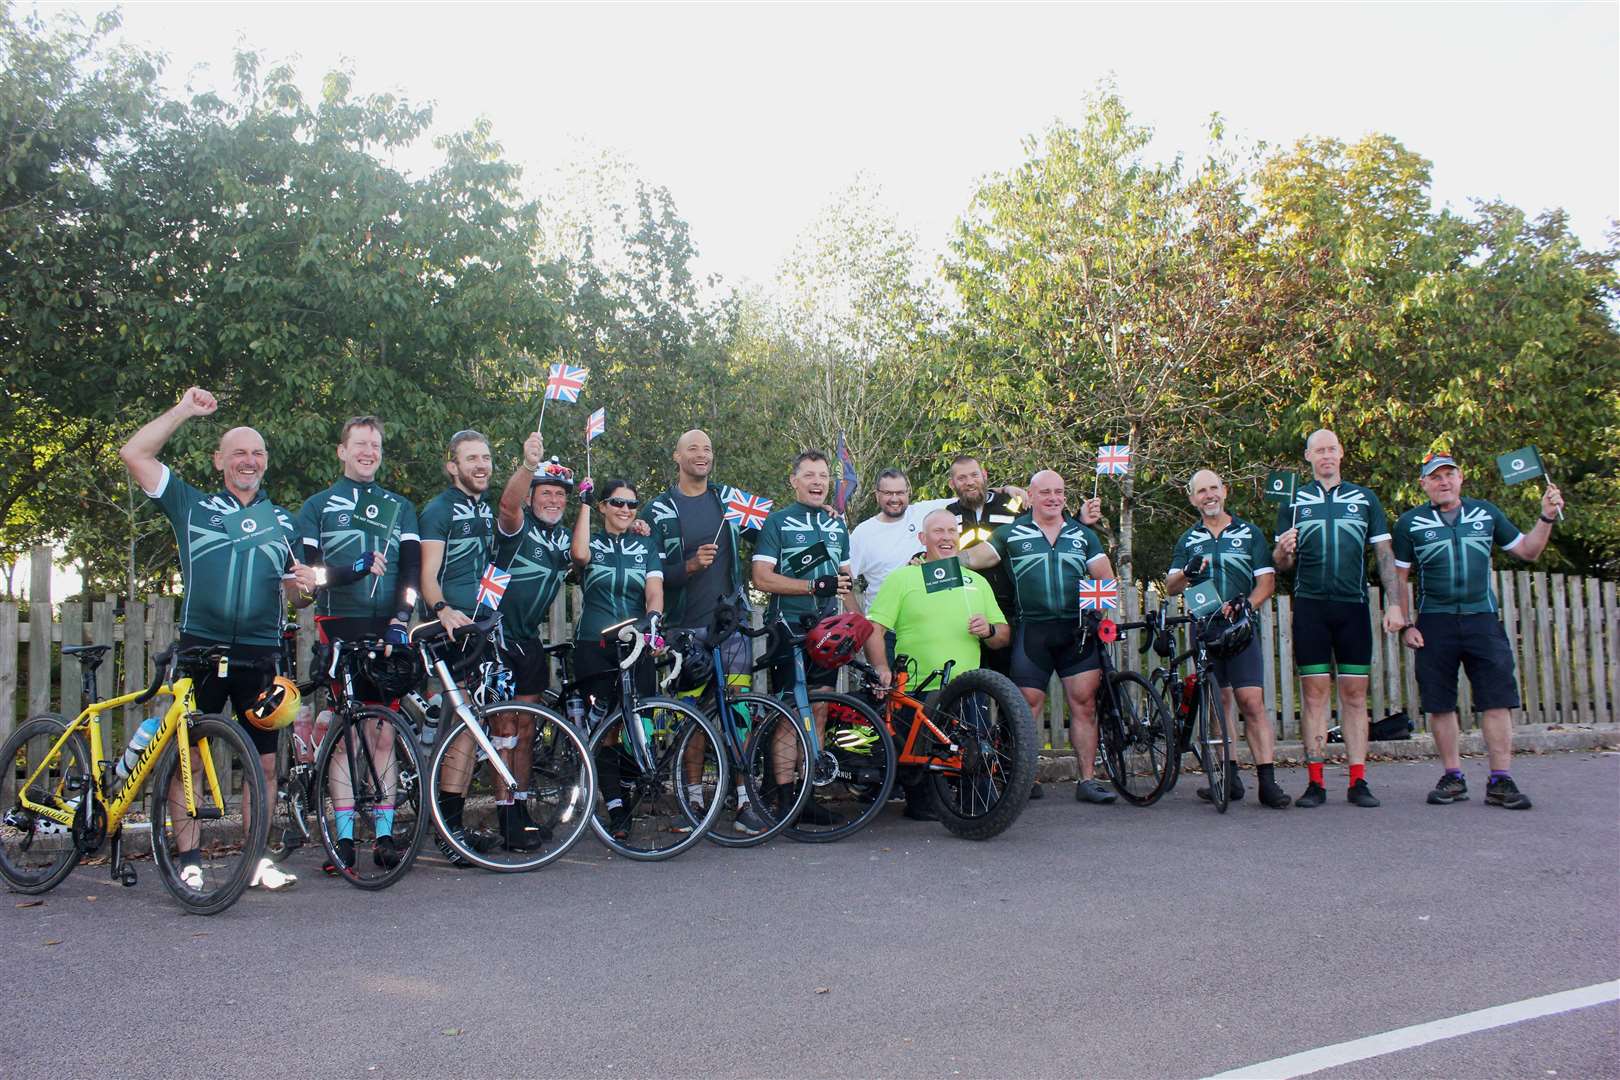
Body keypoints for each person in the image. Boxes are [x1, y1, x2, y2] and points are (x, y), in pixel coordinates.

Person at [119, 387, 315, 892]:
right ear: (220, 460)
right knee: (190, 762)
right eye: (238, 453)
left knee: (265, 765)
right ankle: (190, 857)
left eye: (257, 453)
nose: (248, 461)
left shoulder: (283, 523)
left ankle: (256, 861)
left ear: (266, 462)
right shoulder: (192, 507)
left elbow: (300, 601)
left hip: (260, 656)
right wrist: (183, 410)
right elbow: (134, 453)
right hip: (201, 650)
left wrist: (304, 592)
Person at [1391, 452, 1564, 810]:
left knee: (1496, 699)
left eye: (1449, 475)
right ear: (1423, 484)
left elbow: (1528, 551)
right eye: (1434, 477)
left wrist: (1546, 515)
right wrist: (1406, 625)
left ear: (1461, 478)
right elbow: (1399, 578)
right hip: (1434, 621)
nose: (1443, 481)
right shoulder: (1410, 523)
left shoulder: (1486, 513)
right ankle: (1452, 776)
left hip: (1482, 618)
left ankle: (1501, 779)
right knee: (1440, 704)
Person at [295, 415, 420, 872]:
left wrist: (401, 619)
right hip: (338, 626)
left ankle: (384, 836)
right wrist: (355, 569)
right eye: (361, 444)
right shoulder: (317, 507)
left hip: (386, 629)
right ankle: (344, 841)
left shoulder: (399, 507)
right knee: (347, 736)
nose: (369, 452)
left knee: (383, 734)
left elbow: (410, 575)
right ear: (342, 451)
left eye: (376, 445)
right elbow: (309, 578)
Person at [961, 470, 1117, 804]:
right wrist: (936, 561)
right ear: (1030, 497)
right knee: (1027, 707)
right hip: (1032, 631)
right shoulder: (1011, 533)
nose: (1053, 498)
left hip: (1077, 632)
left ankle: (1087, 780)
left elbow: (1106, 578)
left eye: (1059, 491)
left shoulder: (1082, 535)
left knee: (1084, 705)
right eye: (1045, 492)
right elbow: (973, 558)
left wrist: (1097, 616)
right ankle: (1025, 778)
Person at [641, 429, 767, 834]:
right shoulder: (658, 509)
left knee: (739, 712)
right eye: (693, 448)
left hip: (730, 625)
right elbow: (650, 571)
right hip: (682, 629)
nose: (702, 455)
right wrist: (689, 568)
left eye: (708, 449)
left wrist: (825, 516)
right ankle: (691, 801)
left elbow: (776, 523)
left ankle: (746, 801)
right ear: (676, 456)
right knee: (690, 718)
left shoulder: (728, 500)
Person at [1272, 429, 1405, 809]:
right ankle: (1315, 781)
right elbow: (1282, 564)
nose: (1326, 456)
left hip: (1353, 606)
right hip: (1311, 607)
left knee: (1354, 695)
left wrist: (1394, 604)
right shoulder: (1294, 500)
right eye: (1319, 451)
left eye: (1332, 449)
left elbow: (1383, 553)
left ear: (1341, 453)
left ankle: (1358, 779)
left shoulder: (1364, 498)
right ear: (1309, 456)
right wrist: (1283, 551)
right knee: (1314, 695)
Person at [863, 508, 1011, 820]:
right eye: (938, 532)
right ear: (922, 539)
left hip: (969, 686)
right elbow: (873, 629)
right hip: (917, 687)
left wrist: (990, 630)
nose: (946, 538)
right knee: (922, 793)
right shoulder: (903, 578)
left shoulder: (977, 582)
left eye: (951, 532)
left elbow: (1003, 637)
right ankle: (924, 801)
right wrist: (881, 668)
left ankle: (977, 809)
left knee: (977, 759)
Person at [1165, 469, 1288, 809]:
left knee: (1251, 701)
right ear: (1192, 499)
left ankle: (1267, 781)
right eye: (1201, 491)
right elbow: (1172, 585)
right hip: (1206, 626)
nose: (1208, 495)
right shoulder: (1188, 539)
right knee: (1219, 705)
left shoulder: (1249, 533)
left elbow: (1266, 583)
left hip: (1242, 627)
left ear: (1225, 491)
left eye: (1213, 488)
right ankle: (1229, 778)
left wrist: (1246, 605)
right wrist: (1187, 573)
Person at [751, 449, 854, 826]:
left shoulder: (837, 524)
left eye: (823, 476)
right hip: (788, 627)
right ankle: (784, 798)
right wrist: (812, 585)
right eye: (809, 475)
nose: (817, 482)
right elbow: (761, 579)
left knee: (821, 709)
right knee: (791, 713)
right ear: (793, 481)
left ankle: (808, 793)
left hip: (828, 628)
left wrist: (860, 624)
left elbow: (846, 583)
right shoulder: (777, 522)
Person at [488, 432, 578, 849]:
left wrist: (638, 523)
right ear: (532, 496)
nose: (554, 501)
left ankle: (519, 809)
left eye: (561, 495)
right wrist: (527, 465)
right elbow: (506, 505)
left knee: (526, 730)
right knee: (504, 730)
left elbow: (589, 554)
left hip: (529, 640)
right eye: (546, 493)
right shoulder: (516, 526)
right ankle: (504, 816)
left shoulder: (561, 539)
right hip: (496, 636)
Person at [417, 429, 496, 861]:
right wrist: (443, 608)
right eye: (471, 459)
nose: (481, 465)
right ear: (453, 467)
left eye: (485, 458)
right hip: (448, 631)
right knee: (464, 730)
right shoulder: (438, 510)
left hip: (478, 630)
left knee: (472, 728)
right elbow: (428, 574)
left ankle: (451, 825)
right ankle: (448, 833)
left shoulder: (482, 507)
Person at [571, 477, 664, 837]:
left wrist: (653, 622)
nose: (625, 510)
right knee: (606, 727)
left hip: (637, 643)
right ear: (603, 507)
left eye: (631, 504)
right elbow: (578, 556)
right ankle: (614, 807)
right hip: (595, 645)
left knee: (636, 723)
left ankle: (626, 791)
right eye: (617, 503)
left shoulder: (646, 545)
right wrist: (583, 501)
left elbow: (654, 593)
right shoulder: (590, 541)